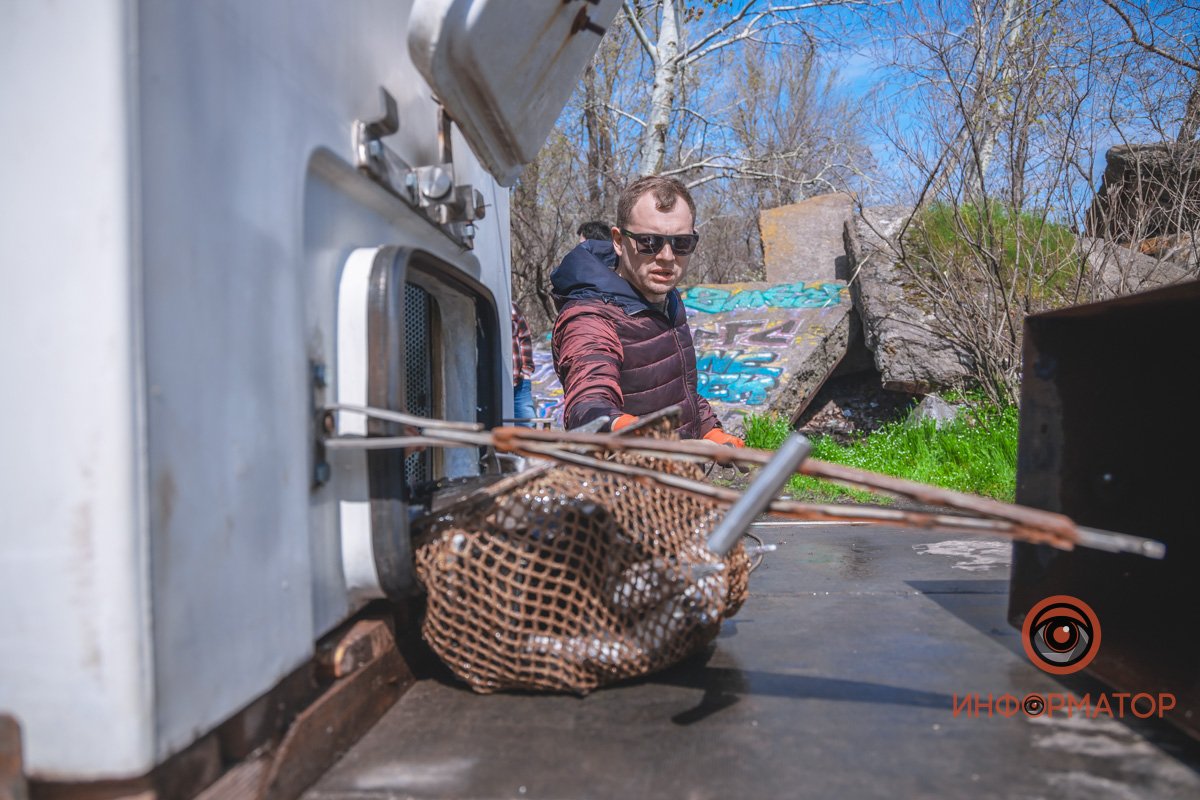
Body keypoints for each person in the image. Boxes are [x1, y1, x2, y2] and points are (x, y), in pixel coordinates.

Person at [549, 176, 743, 445]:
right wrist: (626, 427)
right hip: (623, 482)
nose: (666, 256)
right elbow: (588, 404)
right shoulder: (590, 318)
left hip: (678, 477)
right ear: (618, 240)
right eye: (649, 241)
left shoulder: (668, 301)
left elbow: (677, 387)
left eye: (681, 243)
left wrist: (710, 430)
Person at [510, 302, 536, 427]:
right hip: (491, 385)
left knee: (528, 427)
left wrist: (526, 372)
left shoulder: (513, 309)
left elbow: (524, 338)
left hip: (519, 384)